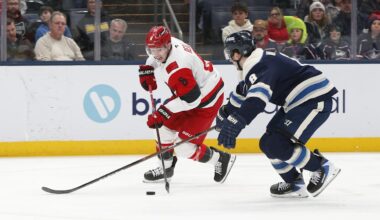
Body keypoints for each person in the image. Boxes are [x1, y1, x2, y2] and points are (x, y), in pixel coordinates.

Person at [217, 31, 341, 198]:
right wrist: (224, 114)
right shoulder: (257, 64)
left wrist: (235, 121)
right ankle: (294, 183)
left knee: (276, 143)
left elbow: (257, 100)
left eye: (229, 54)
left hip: (314, 99)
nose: (230, 59)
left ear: (237, 53)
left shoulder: (259, 66)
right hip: (298, 101)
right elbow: (242, 93)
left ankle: (320, 166)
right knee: (268, 143)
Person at [138, 26, 236, 183]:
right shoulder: (169, 44)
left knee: (183, 148)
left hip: (206, 100)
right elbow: (156, 57)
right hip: (189, 93)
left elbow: (193, 101)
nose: (155, 55)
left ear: (167, 45)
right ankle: (166, 168)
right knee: (163, 127)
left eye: (159, 50)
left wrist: (163, 111)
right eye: (151, 50)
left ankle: (220, 159)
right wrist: (148, 68)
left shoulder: (178, 68)